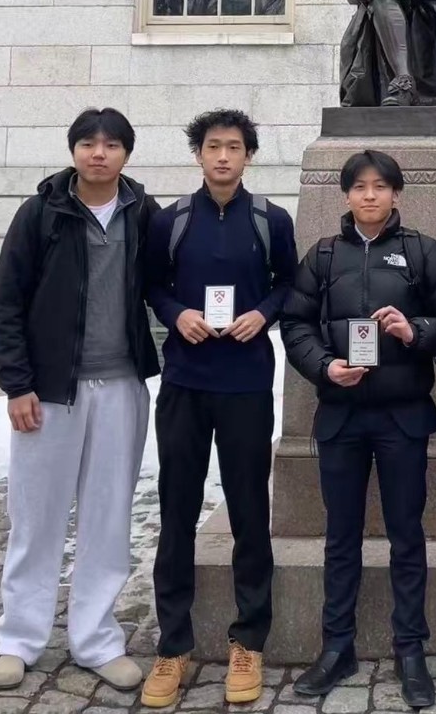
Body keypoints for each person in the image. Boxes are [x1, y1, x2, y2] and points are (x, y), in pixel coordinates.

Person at [281, 150, 436, 709]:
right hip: (340, 415)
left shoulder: (421, 252)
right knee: (341, 536)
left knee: (407, 535)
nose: (369, 196)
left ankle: (411, 648)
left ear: (396, 194)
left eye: (380, 186)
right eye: (359, 187)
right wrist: (324, 366)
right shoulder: (324, 255)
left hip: (402, 416)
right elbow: (296, 322)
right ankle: (338, 646)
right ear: (345, 195)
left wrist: (417, 331)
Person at [0, 108, 159, 692]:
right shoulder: (41, 213)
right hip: (50, 392)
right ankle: (19, 638)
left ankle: (95, 638)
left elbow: (168, 282)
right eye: (88, 143)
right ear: (74, 150)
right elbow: (7, 301)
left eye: (111, 145)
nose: (99, 154)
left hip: (122, 386)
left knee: (108, 519)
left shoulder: (145, 213)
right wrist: (17, 383)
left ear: (127, 155)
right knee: (36, 517)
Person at [140, 109, 297, 709]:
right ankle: (173, 644)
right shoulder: (172, 221)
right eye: (213, 147)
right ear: (198, 155)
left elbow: (291, 280)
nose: (223, 157)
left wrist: (266, 312)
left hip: (246, 384)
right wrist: (176, 314)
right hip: (185, 380)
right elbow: (152, 283)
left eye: (234, 147)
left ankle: (248, 638)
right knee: (177, 510)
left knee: (251, 513)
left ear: (249, 156)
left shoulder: (270, 220)